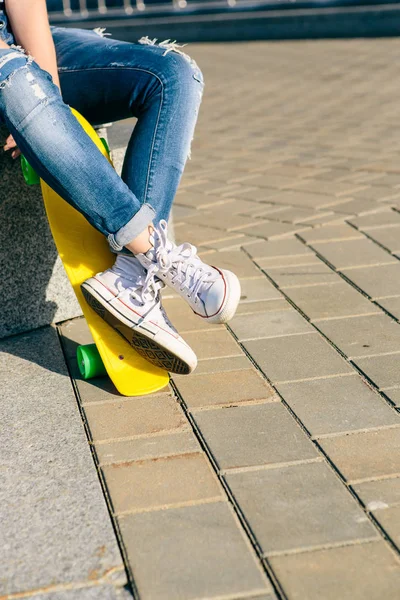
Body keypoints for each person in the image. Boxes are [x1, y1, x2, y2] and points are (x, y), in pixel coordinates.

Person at [0, 0, 241, 375]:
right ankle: (155, 253)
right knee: (12, 73)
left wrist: (47, 103)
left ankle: (129, 275)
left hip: (15, 40)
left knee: (171, 73)